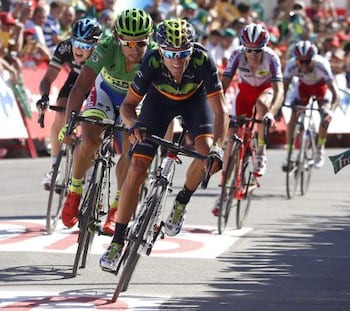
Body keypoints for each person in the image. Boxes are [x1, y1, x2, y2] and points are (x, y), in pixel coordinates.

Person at [99, 18, 229, 272]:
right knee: (137, 168)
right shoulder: (151, 61)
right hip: (159, 103)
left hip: (195, 102)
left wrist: (219, 146)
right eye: (170, 53)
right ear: (160, 50)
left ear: (191, 49)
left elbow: (220, 109)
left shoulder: (203, 60)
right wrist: (133, 125)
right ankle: (117, 242)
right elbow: (127, 106)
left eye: (183, 53)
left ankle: (181, 201)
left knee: (206, 157)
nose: (177, 60)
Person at [58, 9, 154, 235]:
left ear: (149, 40)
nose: (134, 49)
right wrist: (69, 123)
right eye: (127, 43)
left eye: (140, 43)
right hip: (104, 93)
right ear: (117, 38)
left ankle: (117, 207)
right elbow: (81, 86)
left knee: (131, 154)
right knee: (91, 140)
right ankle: (75, 190)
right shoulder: (107, 47)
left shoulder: (154, 56)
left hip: (135, 102)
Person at [210, 23, 284, 215]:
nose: (253, 54)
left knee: (261, 105)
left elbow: (279, 91)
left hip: (265, 91)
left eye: (257, 50)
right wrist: (217, 107)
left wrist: (271, 112)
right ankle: (223, 193)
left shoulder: (271, 58)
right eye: (249, 50)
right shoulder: (237, 54)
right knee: (231, 138)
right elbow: (223, 85)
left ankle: (260, 151)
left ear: (264, 47)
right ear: (244, 47)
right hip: (244, 93)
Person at [37, 17, 102, 190]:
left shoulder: (103, 53)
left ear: (95, 46)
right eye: (76, 42)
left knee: (94, 124)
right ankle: (55, 168)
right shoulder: (64, 47)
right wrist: (44, 96)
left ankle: (90, 171)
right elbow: (48, 77)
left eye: (86, 46)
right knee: (60, 111)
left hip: (97, 84)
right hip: (75, 80)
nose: (79, 49)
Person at [282, 40, 339, 169]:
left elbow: (335, 94)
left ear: (313, 59)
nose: (303, 65)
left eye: (307, 61)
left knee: (325, 117)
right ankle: (289, 154)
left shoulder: (322, 64)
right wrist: (279, 107)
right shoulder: (291, 65)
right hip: (303, 88)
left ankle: (319, 150)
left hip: (320, 87)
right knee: (293, 116)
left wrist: (331, 111)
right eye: (300, 62)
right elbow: (284, 89)